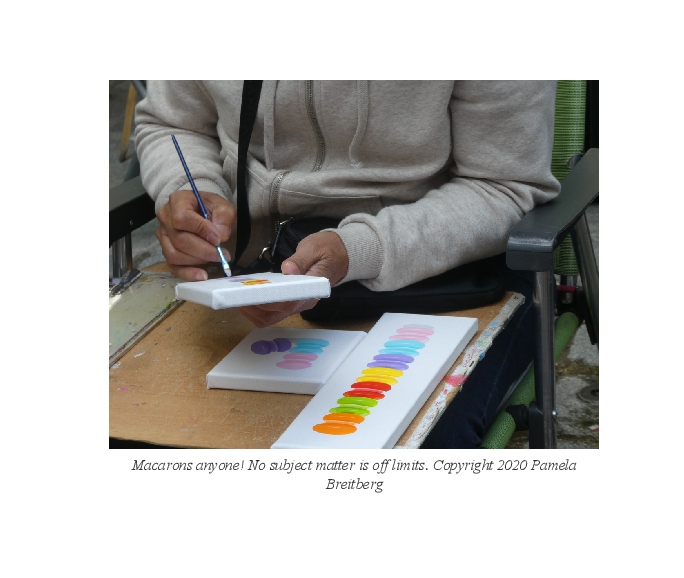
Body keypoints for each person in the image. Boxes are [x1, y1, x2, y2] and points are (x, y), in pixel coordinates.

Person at [134, 81, 560, 446]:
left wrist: (360, 248)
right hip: (250, 274)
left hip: (444, 281)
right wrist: (192, 191)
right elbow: (172, 124)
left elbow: (502, 186)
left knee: (394, 445)